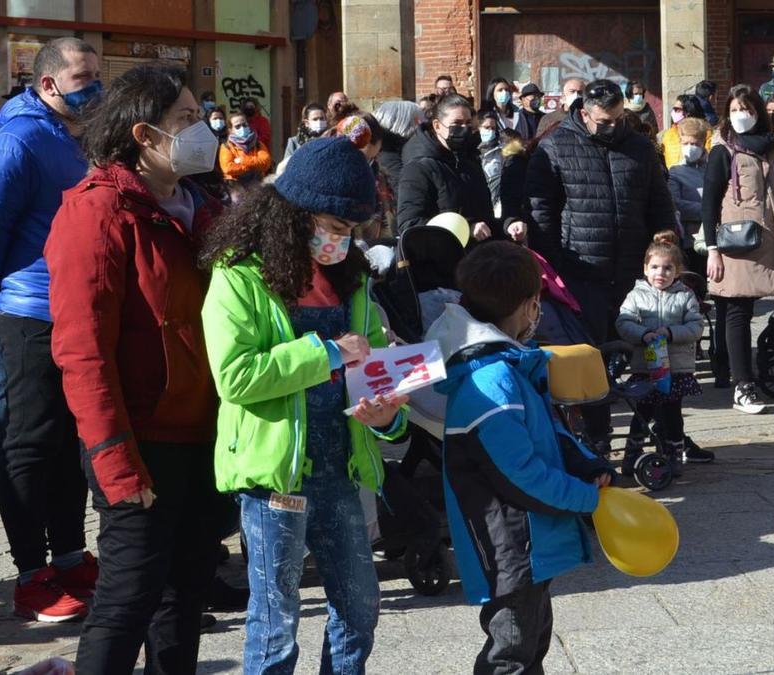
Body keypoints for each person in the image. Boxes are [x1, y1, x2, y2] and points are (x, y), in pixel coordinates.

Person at [199, 137, 407, 674]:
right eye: (333, 227)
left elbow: (377, 372)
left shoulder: (351, 281)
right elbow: (236, 376)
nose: (340, 240)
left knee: (360, 609)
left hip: (339, 468)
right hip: (275, 479)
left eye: (349, 232)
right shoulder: (238, 274)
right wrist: (326, 352)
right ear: (292, 214)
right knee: (275, 625)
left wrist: (388, 417)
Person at [45, 61, 223, 673]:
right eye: (187, 119)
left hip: (202, 434)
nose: (205, 130)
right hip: (139, 441)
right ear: (145, 135)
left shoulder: (200, 207)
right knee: (127, 599)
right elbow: (82, 350)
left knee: (185, 597)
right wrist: (115, 460)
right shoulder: (96, 213)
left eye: (203, 117)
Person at [426, 241, 614, 675]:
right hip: (512, 545)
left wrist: (587, 464)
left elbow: (548, 434)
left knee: (529, 644)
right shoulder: (491, 381)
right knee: (509, 653)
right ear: (531, 306)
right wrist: (585, 498)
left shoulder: (503, 369)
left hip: (524, 543)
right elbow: (519, 476)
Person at [0, 36, 99, 624]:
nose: (95, 87)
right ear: (48, 85)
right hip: (28, 314)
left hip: (72, 313)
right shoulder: (18, 139)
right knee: (29, 444)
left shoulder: (67, 135)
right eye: (84, 77)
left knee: (67, 444)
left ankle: (67, 556)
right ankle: (31, 575)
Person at [526, 79, 677, 449]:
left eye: (617, 119)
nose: (611, 127)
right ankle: (597, 438)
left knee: (644, 356)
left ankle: (652, 437)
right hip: (581, 272)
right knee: (591, 359)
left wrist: (667, 242)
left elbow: (659, 201)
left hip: (633, 271)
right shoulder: (556, 146)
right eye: (602, 122)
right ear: (583, 113)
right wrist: (555, 264)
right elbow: (542, 210)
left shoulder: (640, 147)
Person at [702, 86, 774, 413]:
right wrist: (711, 248)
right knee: (739, 311)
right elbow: (709, 201)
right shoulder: (723, 150)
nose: (743, 115)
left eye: (748, 108)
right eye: (736, 109)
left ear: (758, 112)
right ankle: (743, 386)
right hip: (741, 240)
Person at [616, 233, 707, 473]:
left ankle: (674, 453)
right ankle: (632, 452)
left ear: (677, 272)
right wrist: (643, 334)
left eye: (668, 268)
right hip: (644, 368)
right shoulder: (636, 295)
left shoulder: (684, 295)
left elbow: (696, 327)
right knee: (641, 412)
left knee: (672, 414)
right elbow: (623, 322)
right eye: (655, 267)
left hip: (674, 369)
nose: (661, 273)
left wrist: (671, 332)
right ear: (645, 268)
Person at [396, 94, 522, 242]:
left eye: (468, 123)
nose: (463, 129)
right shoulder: (418, 168)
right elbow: (410, 225)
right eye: (457, 123)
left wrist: (508, 225)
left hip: (476, 257)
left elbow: (484, 221)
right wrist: (466, 229)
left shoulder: (470, 162)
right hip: (441, 259)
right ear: (437, 126)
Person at [668, 117, 710, 266]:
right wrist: (708, 209)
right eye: (685, 143)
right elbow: (676, 204)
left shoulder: (714, 168)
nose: (690, 148)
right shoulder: (675, 172)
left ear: (703, 143)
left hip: (715, 237)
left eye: (695, 144)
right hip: (691, 240)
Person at [373, 99, 423, 196]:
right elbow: (402, 190)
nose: (420, 124)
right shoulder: (388, 154)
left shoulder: (399, 147)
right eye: (416, 120)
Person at [219, 109, 272, 182]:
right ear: (230, 130)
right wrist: (252, 167)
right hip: (235, 185)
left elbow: (265, 163)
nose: (242, 128)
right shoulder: (226, 146)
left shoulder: (258, 144)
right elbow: (228, 168)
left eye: (244, 125)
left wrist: (243, 160)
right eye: (237, 126)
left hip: (257, 183)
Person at [662, 94, 710, 167]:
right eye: (674, 109)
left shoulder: (707, 134)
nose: (673, 112)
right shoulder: (668, 134)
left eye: (677, 109)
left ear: (688, 111)